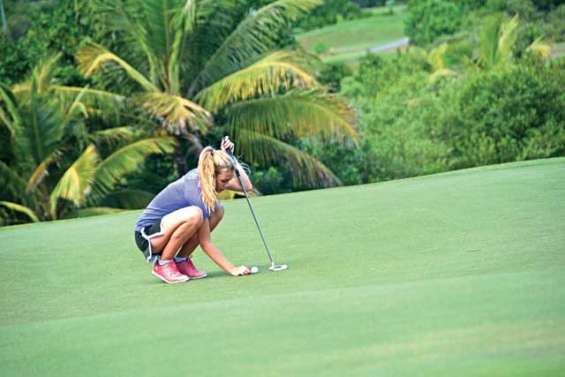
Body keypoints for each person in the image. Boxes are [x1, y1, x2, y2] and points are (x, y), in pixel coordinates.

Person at [134, 137, 253, 284]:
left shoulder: (214, 179)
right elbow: (205, 242)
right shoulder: (195, 186)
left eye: (228, 180)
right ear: (211, 175)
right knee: (196, 214)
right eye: (224, 181)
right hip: (147, 235)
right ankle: (163, 264)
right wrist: (232, 269)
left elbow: (246, 187)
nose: (226, 185)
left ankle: (181, 260)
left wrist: (231, 158)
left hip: (166, 229)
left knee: (218, 210)